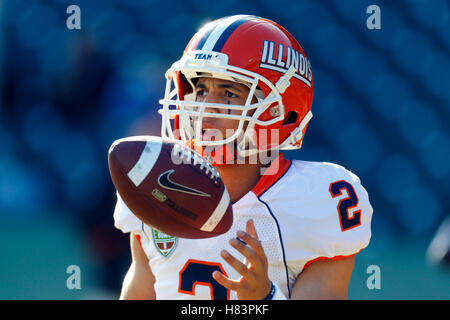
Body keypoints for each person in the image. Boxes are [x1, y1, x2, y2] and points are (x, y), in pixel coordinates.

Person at [113, 15, 373, 300]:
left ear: (280, 110)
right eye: (200, 90)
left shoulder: (318, 200)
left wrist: (264, 298)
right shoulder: (156, 180)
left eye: (228, 93)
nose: (205, 108)